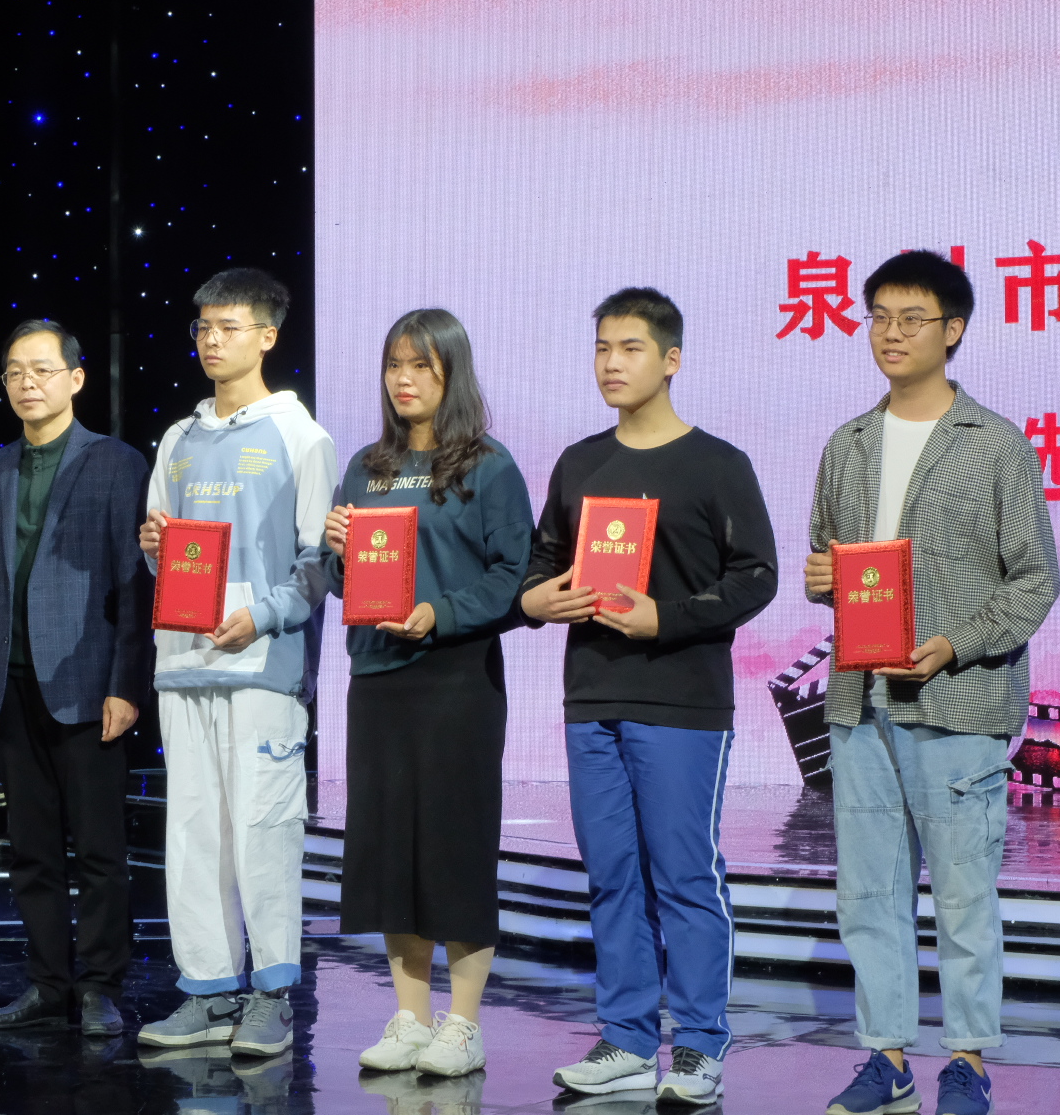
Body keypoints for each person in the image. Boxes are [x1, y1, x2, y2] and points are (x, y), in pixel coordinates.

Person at [806, 252, 1058, 1115]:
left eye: (911, 318)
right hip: (860, 700)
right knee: (868, 895)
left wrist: (953, 644)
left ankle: (968, 1061)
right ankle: (886, 1058)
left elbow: (1035, 580)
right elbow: (832, 562)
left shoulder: (996, 445)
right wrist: (822, 579)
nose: (891, 333)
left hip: (959, 702)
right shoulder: (848, 444)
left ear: (954, 330)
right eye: (878, 316)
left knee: (962, 893)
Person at [521, 288, 777, 1106]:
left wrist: (664, 617)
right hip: (592, 696)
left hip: (682, 701)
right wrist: (538, 600)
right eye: (602, 348)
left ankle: (698, 1046)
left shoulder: (717, 464)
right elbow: (540, 566)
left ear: (671, 360)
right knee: (611, 876)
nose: (611, 363)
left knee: (685, 877)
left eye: (629, 348)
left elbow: (756, 576)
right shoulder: (579, 463)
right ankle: (628, 1040)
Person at [323, 310, 532, 1078]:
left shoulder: (489, 467)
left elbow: (515, 576)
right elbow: (344, 581)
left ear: (452, 374)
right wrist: (338, 551)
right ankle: (410, 1018)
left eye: (421, 366)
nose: (403, 380)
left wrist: (439, 613)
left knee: (453, 849)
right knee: (390, 854)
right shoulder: (366, 466)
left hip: (456, 681)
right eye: (393, 365)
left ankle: (463, 1024)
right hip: (378, 679)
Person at [135, 268, 337, 1058]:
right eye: (203, 328)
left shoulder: (300, 437)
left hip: (262, 669)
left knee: (263, 834)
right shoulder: (177, 440)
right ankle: (208, 991)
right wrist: (154, 550)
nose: (212, 340)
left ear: (268, 335)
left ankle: (272, 996)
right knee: (192, 837)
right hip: (184, 662)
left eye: (229, 326)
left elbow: (318, 564)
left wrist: (261, 616)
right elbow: (167, 556)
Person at [0, 319, 152, 1037]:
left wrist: (127, 682)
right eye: (15, 372)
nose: (27, 383)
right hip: (9, 688)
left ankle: (100, 985)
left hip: (89, 685)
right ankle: (47, 984)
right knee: (30, 851)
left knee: (99, 850)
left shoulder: (117, 464)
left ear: (76, 378)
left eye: (41, 370)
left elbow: (135, 586)